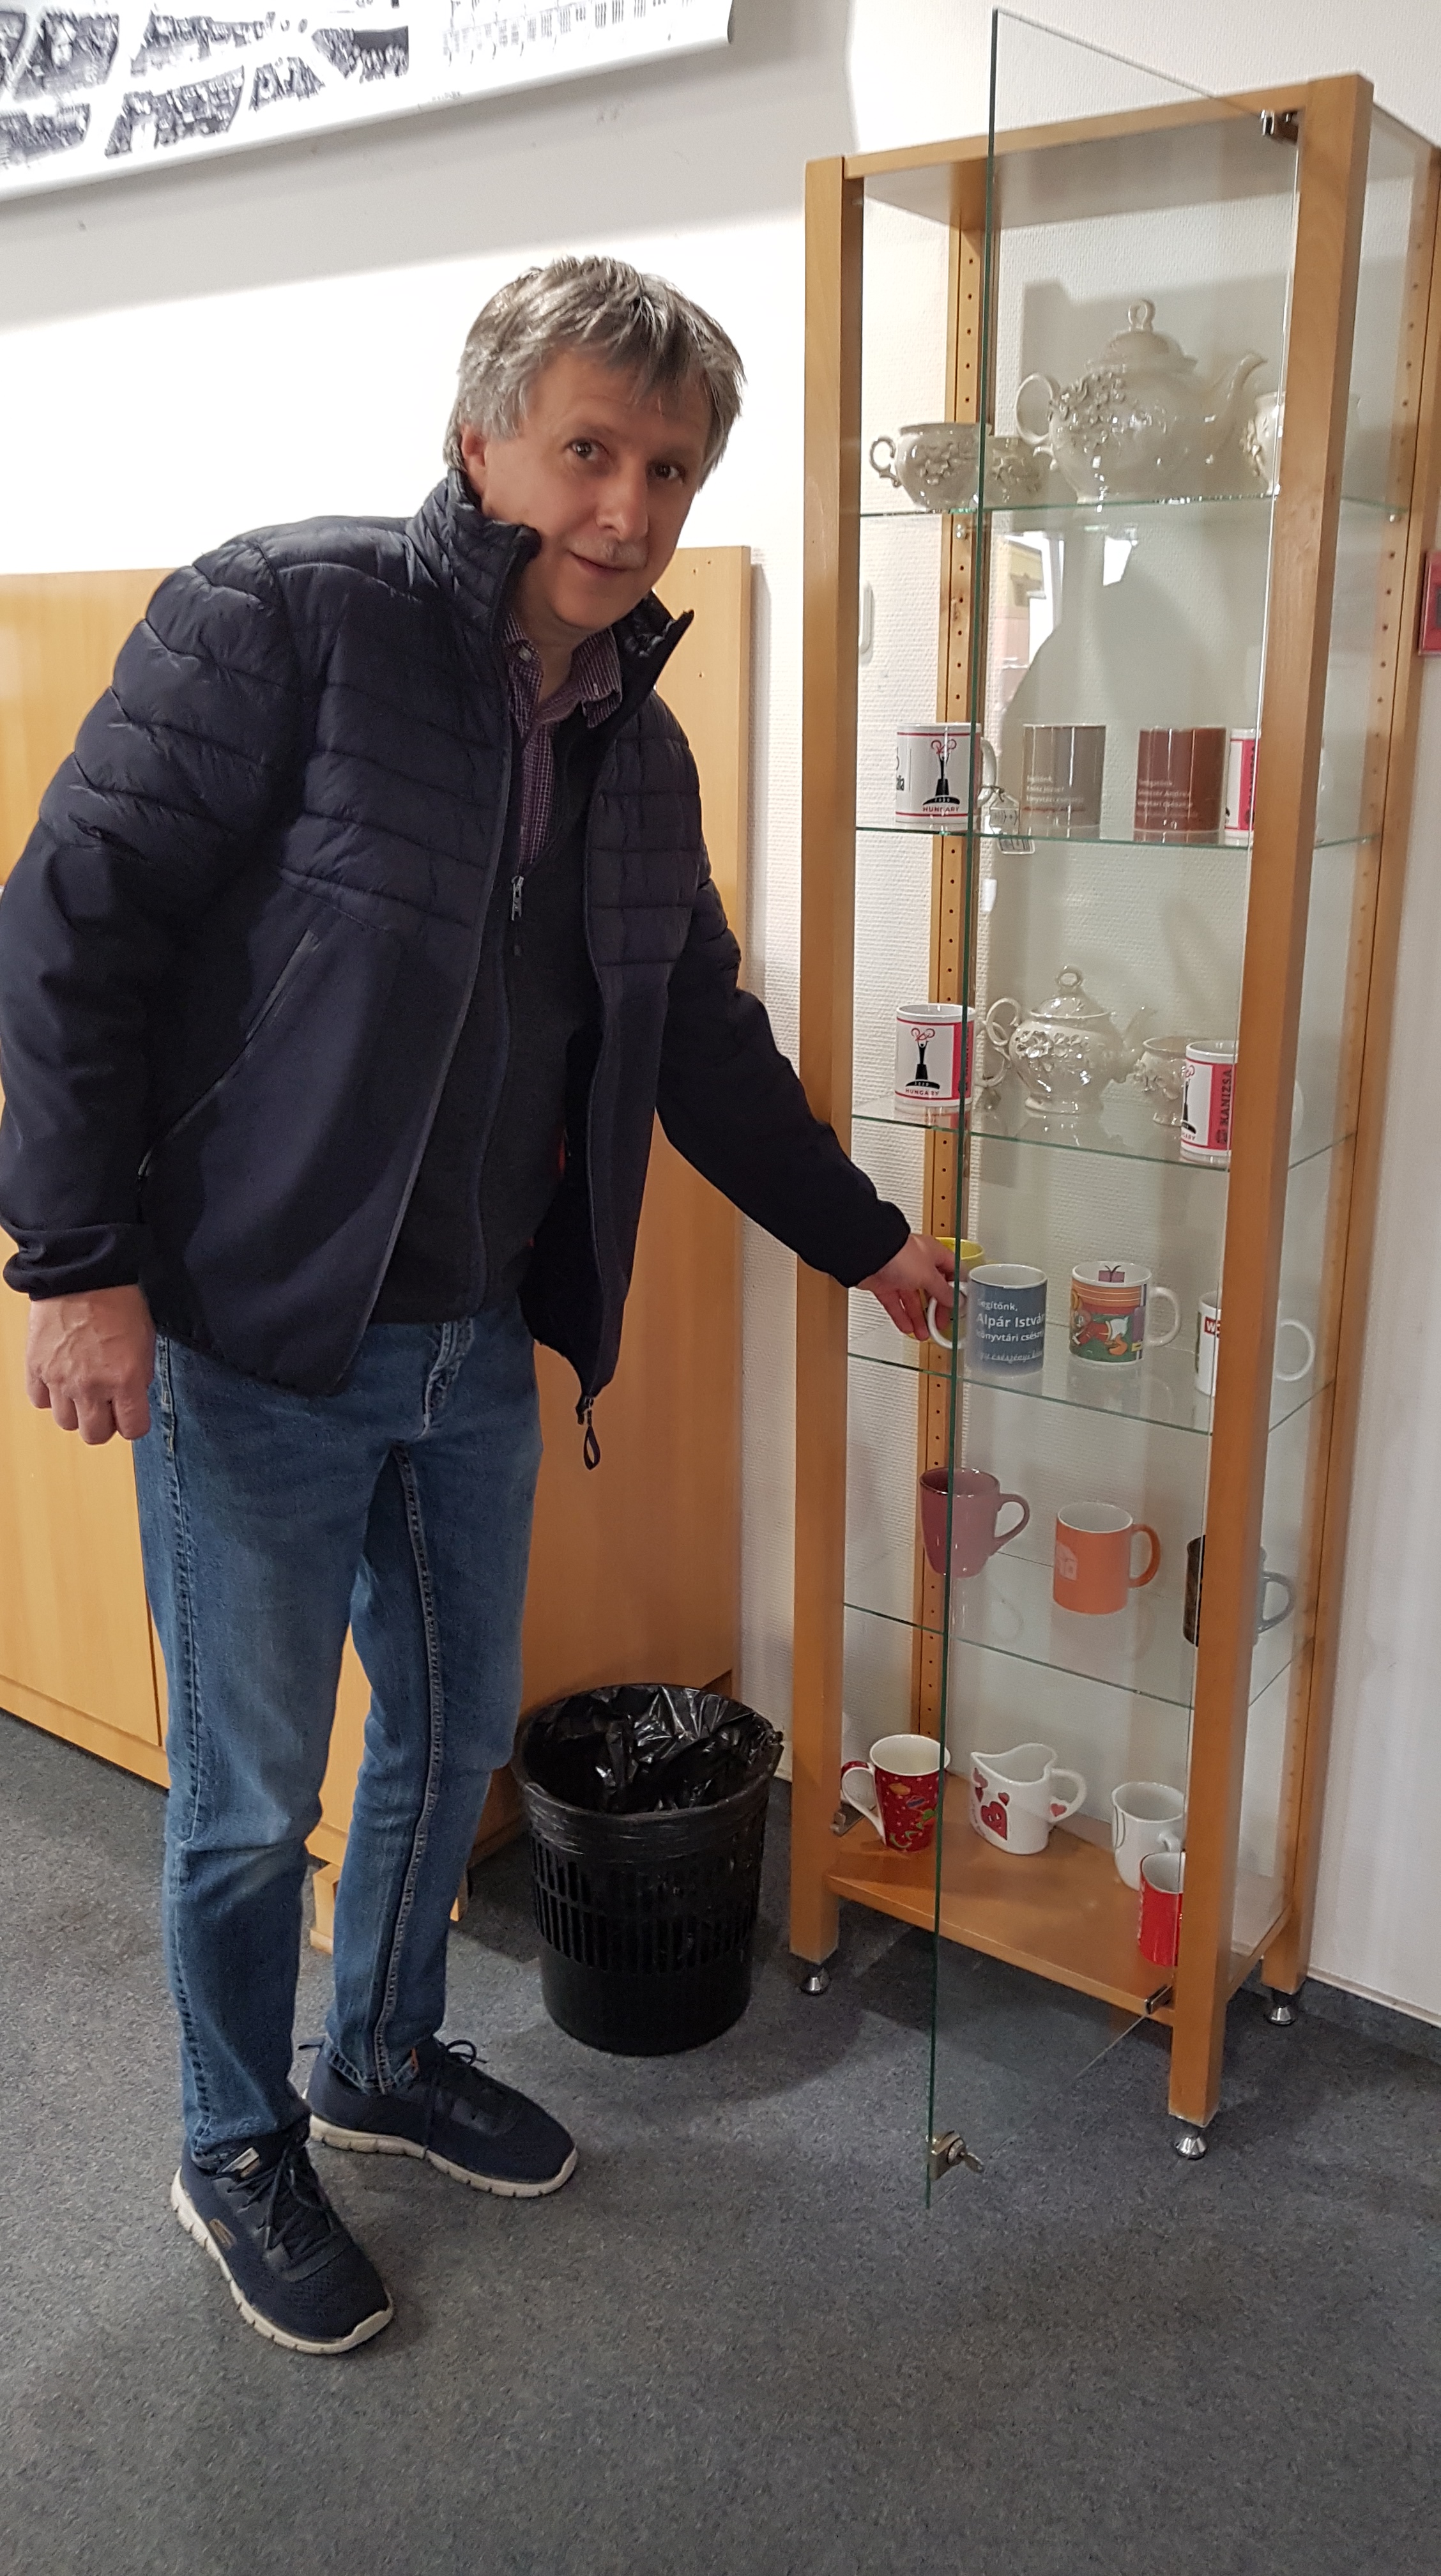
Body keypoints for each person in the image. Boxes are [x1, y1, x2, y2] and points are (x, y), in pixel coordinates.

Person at [0, 257, 950, 2356]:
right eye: (590, 449)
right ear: (481, 442)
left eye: (670, 470)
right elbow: (69, 926)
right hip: (253, 1342)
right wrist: (76, 1268)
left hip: (473, 1349)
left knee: (443, 1748)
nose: (628, 508)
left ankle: (379, 2058)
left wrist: (866, 1235)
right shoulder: (287, 619)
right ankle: (234, 2140)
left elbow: (700, 1042)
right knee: (251, 1800)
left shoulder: (641, 749)